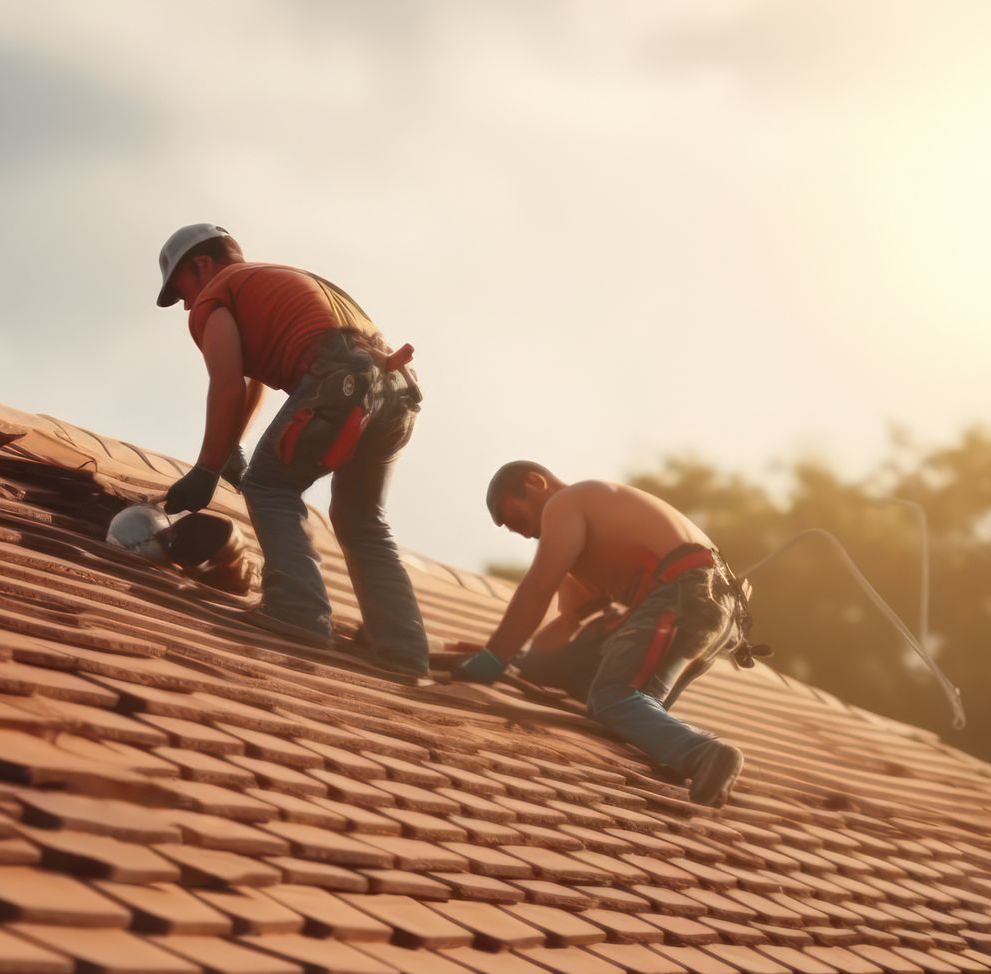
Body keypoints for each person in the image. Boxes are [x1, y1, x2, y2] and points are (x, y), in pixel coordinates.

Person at [153, 222, 429, 676]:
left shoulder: (215, 295)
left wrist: (205, 469)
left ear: (202, 265)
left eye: (181, 289)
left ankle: (297, 611)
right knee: (361, 521)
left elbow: (225, 383)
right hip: (396, 392)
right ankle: (403, 649)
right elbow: (251, 381)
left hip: (341, 380)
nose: (185, 303)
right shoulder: (275, 279)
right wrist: (230, 448)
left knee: (268, 486)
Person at [456, 461, 749, 806]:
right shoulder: (603, 534)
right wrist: (521, 660)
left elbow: (538, 587)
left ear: (535, 482)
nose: (523, 534)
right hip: (721, 613)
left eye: (517, 519)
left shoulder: (568, 502)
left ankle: (705, 752)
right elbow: (559, 632)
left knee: (612, 696)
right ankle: (692, 760)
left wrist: (494, 658)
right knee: (632, 713)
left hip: (686, 591)